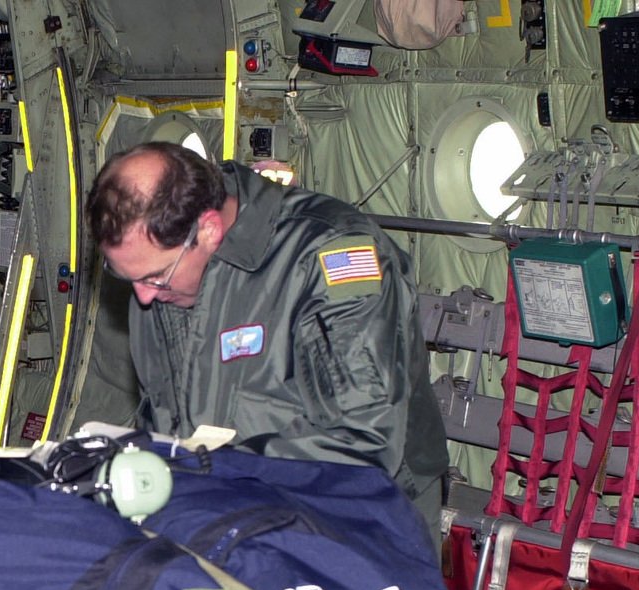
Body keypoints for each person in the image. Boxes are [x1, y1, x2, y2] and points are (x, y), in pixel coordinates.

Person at [86, 141, 449, 530]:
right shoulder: (161, 274)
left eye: (153, 277)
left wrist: (207, 469)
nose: (142, 296)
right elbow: (162, 411)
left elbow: (363, 445)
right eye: (125, 277)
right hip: (226, 512)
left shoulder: (331, 257)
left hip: (358, 522)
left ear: (208, 229)